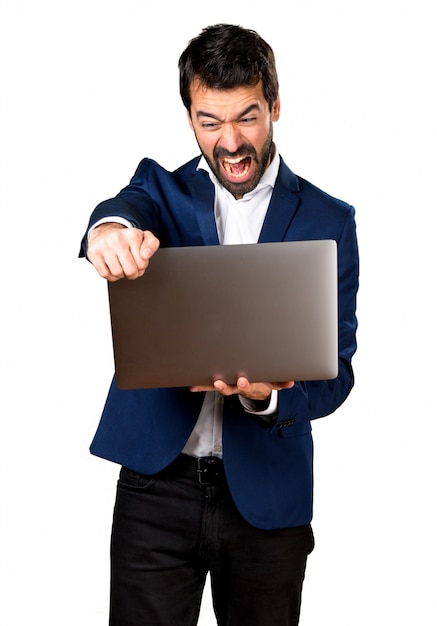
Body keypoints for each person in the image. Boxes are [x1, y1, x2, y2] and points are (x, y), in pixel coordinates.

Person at [80, 23, 359, 626]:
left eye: (247, 118)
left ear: (275, 106)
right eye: (210, 122)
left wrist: (265, 400)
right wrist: (107, 233)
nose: (230, 142)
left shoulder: (329, 220)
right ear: (189, 119)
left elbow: (337, 374)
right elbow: (121, 210)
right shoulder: (162, 189)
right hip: (157, 487)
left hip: (267, 501)